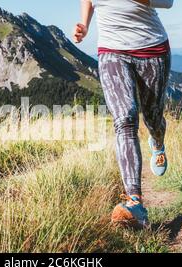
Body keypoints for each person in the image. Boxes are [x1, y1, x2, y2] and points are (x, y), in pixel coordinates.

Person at [74, 0, 173, 227]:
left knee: (152, 117)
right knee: (125, 118)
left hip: (152, 49)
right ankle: (134, 202)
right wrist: (85, 24)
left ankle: (157, 141)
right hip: (112, 51)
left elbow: (168, 2)